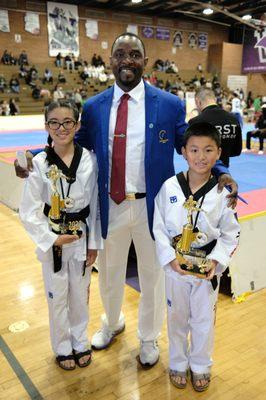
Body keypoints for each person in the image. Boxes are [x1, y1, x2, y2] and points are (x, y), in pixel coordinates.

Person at [15, 33, 237, 369]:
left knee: (152, 275)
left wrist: (220, 170)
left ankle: (148, 338)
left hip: (152, 206)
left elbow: (192, 143)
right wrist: (33, 156)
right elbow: (68, 143)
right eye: (120, 54)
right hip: (110, 204)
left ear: (145, 61)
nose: (127, 60)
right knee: (109, 274)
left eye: (134, 54)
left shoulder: (170, 104)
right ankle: (111, 321)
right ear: (110, 62)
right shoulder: (93, 107)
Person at [153, 122, 240, 392]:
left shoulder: (223, 193)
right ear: (183, 152)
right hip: (176, 268)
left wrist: (216, 262)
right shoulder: (169, 187)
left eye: (208, 150)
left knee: (203, 321)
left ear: (218, 154)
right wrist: (169, 259)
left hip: (206, 270)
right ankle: (178, 361)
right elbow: (158, 226)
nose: (201, 156)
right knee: (176, 317)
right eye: (194, 150)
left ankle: (201, 365)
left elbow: (230, 234)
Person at [19, 100, 102, 371]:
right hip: (53, 238)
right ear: (46, 126)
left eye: (68, 122)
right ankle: (62, 346)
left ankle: (80, 341)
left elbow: (95, 204)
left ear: (77, 125)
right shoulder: (39, 163)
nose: (61, 128)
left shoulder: (90, 160)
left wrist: (94, 243)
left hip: (80, 236)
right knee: (57, 296)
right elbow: (28, 211)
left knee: (80, 295)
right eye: (54, 122)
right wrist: (50, 237)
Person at [189, 88, 242, 167]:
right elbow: (236, 151)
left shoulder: (195, 122)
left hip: (202, 170)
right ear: (215, 99)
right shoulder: (233, 119)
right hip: (224, 170)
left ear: (198, 101)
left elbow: (190, 151)